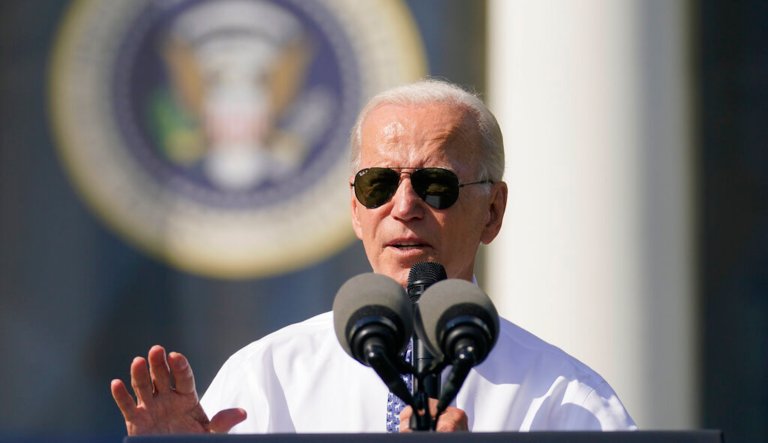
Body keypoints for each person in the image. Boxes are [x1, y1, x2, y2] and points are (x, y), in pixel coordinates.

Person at [111, 79, 636, 434]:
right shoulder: (268, 377)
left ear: (493, 211)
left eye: (435, 184)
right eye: (378, 183)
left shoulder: (565, 399)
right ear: (356, 209)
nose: (404, 206)